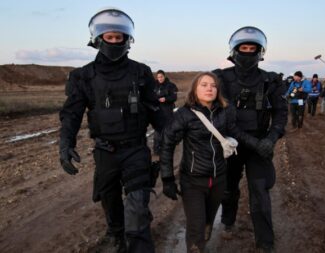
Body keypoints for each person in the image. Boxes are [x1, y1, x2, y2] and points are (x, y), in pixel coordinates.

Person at [59, 8, 164, 253]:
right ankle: (117, 235)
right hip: (105, 151)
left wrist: (175, 134)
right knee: (110, 199)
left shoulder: (141, 72)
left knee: (138, 206)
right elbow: (71, 113)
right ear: (98, 39)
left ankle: (139, 246)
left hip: (136, 149)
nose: (115, 42)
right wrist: (66, 143)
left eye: (119, 37)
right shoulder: (82, 76)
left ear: (128, 40)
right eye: (110, 37)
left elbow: (155, 111)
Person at [160, 72, 267, 253]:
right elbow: (167, 144)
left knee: (208, 220)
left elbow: (236, 133)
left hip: (218, 179)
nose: (209, 88)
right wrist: (167, 178)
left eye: (213, 85)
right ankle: (196, 248)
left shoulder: (224, 112)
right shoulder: (184, 114)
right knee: (196, 225)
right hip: (193, 180)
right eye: (204, 84)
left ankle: (203, 241)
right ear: (194, 89)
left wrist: (260, 145)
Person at [212, 26, 288, 252]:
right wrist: (253, 142)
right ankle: (227, 222)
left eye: (251, 48)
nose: (247, 52)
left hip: (260, 145)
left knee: (260, 190)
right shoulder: (221, 78)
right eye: (243, 48)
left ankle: (265, 242)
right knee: (228, 187)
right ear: (234, 51)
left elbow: (281, 113)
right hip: (231, 144)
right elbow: (222, 118)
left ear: (260, 51)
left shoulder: (271, 80)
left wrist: (271, 138)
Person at [153, 70, 178, 155]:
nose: (160, 78)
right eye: (158, 77)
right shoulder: (154, 85)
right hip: (157, 111)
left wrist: (166, 99)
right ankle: (156, 150)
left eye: (161, 77)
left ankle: (167, 148)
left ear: (164, 76)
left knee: (168, 130)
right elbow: (150, 96)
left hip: (167, 110)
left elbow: (174, 97)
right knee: (157, 131)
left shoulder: (170, 85)